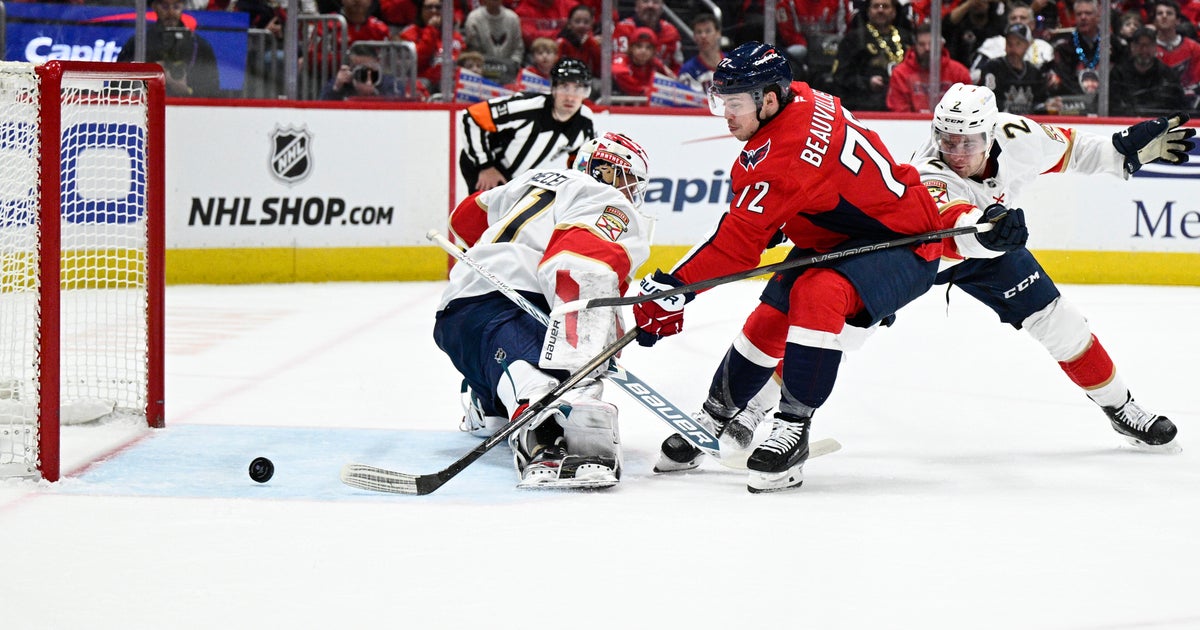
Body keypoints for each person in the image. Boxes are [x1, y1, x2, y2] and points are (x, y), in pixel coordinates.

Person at [632, 43, 965, 493]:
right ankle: (714, 416)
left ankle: (793, 427)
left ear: (769, 100)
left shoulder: (783, 155)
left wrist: (675, 287)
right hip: (842, 233)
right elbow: (817, 185)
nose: (726, 114)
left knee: (817, 293)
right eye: (721, 101)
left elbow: (738, 245)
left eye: (736, 103)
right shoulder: (799, 96)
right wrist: (781, 219)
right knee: (771, 315)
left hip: (901, 244)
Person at [911, 83, 1189, 452]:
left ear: (992, 134)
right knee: (854, 322)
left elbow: (1074, 150)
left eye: (969, 142)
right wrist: (988, 228)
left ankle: (1121, 408)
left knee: (1062, 323)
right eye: (947, 140)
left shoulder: (1018, 135)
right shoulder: (925, 170)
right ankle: (803, 416)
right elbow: (954, 224)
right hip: (931, 249)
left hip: (991, 244)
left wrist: (1119, 151)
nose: (957, 154)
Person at [435, 132, 653, 488]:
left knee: (504, 374)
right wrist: (587, 358)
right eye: (629, 180)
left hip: (456, 310)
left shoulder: (531, 179)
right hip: (513, 302)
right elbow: (581, 267)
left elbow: (463, 219)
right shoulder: (605, 197)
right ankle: (551, 422)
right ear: (608, 171)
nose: (631, 192)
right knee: (543, 383)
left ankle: (485, 405)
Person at [459, 58, 595, 193]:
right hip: (485, 166)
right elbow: (471, 117)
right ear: (553, 87)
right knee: (485, 213)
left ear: (586, 93)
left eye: (578, 89)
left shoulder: (585, 122)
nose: (570, 97)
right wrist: (485, 166)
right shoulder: (527, 106)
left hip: (516, 179)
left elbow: (581, 159)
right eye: (564, 87)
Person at [116, 0, 221, 97]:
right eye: (165, 6)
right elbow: (117, 86)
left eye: (176, 6)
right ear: (154, 6)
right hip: (148, 109)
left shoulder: (199, 45)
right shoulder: (138, 43)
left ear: (183, 6)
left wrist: (187, 91)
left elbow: (213, 90)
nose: (171, 13)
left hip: (189, 111)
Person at [831, 0, 913, 111]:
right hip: (865, 104)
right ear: (868, 11)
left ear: (894, 11)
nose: (880, 10)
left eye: (885, 6)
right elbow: (840, 76)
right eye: (875, 6)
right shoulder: (854, 39)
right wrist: (867, 82)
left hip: (904, 101)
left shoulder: (907, 38)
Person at [886, 22, 972, 112]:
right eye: (921, 44)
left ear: (941, 45)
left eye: (931, 44)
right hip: (912, 124)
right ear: (914, 46)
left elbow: (968, 106)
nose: (927, 48)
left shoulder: (959, 72)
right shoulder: (900, 73)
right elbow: (899, 110)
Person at [968, 1, 1055, 83]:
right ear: (1008, 23)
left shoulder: (1044, 47)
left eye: (1023, 18)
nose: (1018, 21)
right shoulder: (992, 44)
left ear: (1032, 24)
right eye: (1013, 18)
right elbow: (973, 76)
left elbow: (1053, 76)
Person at [1110, 27, 1188, 115]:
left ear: (1155, 47)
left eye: (1149, 45)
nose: (1144, 50)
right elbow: (1113, 106)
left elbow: (1178, 108)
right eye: (1140, 45)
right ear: (1132, 47)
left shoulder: (1168, 76)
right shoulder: (1118, 74)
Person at [979, 22, 1052, 114]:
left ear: (1028, 45)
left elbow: (1042, 102)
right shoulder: (992, 68)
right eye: (1009, 43)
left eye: (1018, 44)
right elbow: (986, 100)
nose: (1013, 49)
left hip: (1029, 124)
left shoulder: (1035, 72)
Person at [399, 0, 465, 92]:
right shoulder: (410, 33)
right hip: (422, 80)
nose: (434, 11)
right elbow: (418, 60)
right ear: (421, 10)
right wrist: (431, 30)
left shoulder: (455, 37)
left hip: (449, 81)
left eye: (438, 7)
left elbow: (462, 62)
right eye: (429, 7)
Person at [320, 43, 416, 100]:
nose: (365, 72)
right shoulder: (343, 81)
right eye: (357, 67)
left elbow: (397, 106)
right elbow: (321, 107)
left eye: (369, 67)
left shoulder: (390, 83)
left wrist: (373, 92)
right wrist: (336, 87)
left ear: (377, 63)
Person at [613, 0, 684, 74]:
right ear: (636, 6)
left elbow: (677, 66)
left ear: (662, 8)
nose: (650, 5)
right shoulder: (624, 28)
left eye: (655, 2)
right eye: (645, 1)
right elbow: (619, 63)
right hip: (628, 80)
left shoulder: (671, 32)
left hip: (662, 82)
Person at [463, 0, 525, 79]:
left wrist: (512, 65)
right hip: (482, 70)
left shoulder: (513, 18)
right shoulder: (474, 18)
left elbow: (518, 49)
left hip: (509, 71)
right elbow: (473, 51)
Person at [1153, 0, 1200, 104]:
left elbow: (1196, 82)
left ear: (1178, 20)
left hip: (1186, 106)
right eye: (1160, 13)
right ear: (1154, 20)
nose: (1164, 16)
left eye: (1169, 13)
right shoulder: (1146, 48)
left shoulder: (1194, 48)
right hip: (1152, 106)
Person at [612, 27, 675, 99]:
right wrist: (645, 90)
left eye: (648, 48)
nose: (643, 51)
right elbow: (618, 72)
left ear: (653, 51)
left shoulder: (656, 65)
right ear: (631, 48)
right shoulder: (622, 60)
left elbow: (672, 81)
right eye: (639, 46)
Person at [678, 13, 725, 92]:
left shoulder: (734, 64)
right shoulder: (687, 71)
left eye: (708, 31)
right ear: (694, 37)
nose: (703, 36)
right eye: (699, 32)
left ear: (718, 33)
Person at [556, 4, 603, 79]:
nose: (581, 25)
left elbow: (599, 69)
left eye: (586, 22)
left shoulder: (592, 43)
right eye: (577, 21)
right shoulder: (562, 43)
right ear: (569, 23)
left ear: (592, 24)